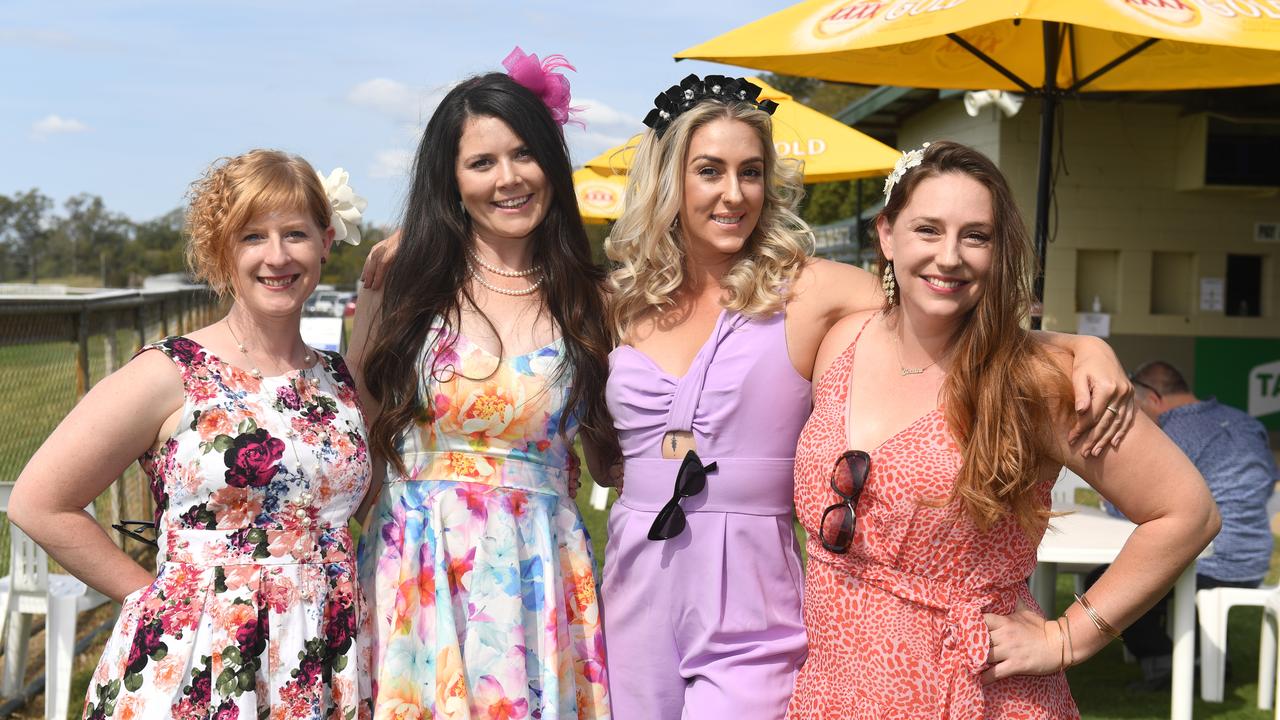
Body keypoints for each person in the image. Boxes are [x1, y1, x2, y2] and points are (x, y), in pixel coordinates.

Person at [598, 77, 1138, 720]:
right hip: (635, 578)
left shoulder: (815, 290)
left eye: (751, 172)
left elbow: (940, 304)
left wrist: (1079, 346)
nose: (734, 193)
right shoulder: (619, 302)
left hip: (751, 591)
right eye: (709, 171)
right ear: (668, 180)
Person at [788, 141, 1220, 718]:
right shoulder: (841, 338)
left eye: (976, 236)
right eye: (927, 229)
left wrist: (1069, 637)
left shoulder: (1038, 381)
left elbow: (1186, 511)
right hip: (831, 689)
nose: (949, 257)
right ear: (887, 234)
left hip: (968, 693)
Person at [9, 149, 372, 719]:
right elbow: (38, 501)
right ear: (223, 249)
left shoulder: (340, 379)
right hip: (199, 661)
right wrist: (148, 597)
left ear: (326, 243)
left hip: (322, 658)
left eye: (295, 234)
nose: (277, 256)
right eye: (253, 236)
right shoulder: (171, 371)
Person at [348, 48, 614, 718]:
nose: (509, 178)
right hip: (416, 565)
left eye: (524, 155)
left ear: (551, 164)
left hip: (539, 572)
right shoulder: (405, 284)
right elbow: (355, 423)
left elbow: (615, 454)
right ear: (452, 179)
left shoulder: (592, 300)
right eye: (482, 162)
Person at [1094, 360, 1278, 689]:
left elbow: (1142, 504)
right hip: (1253, 559)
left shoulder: (1174, 433)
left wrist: (1109, 502)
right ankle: (1201, 658)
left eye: (1135, 406)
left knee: (1106, 579)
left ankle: (1171, 667)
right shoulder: (1243, 421)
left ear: (1152, 398)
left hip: (1212, 558)